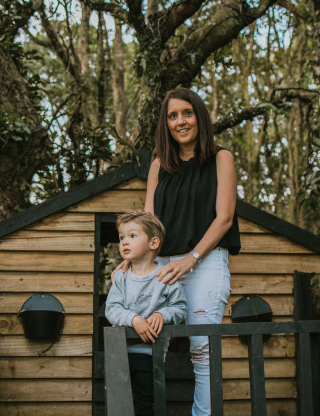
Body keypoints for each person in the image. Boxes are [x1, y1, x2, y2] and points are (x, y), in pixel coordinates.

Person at [115, 87, 241, 415]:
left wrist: (191, 259)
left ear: (199, 117)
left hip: (205, 263)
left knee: (203, 350)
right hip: (160, 265)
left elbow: (224, 218)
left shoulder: (221, 159)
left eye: (187, 113)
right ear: (165, 124)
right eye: (172, 116)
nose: (180, 121)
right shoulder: (159, 165)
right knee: (147, 345)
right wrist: (131, 260)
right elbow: (148, 222)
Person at [105, 210, 187, 416]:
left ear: (153, 243)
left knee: (145, 404)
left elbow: (180, 308)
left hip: (150, 354)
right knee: (120, 405)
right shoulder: (121, 278)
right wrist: (134, 320)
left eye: (132, 236)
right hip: (120, 353)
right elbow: (112, 309)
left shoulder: (166, 276)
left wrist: (162, 315)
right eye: (122, 237)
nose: (125, 241)